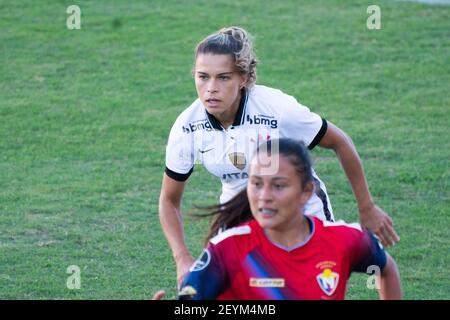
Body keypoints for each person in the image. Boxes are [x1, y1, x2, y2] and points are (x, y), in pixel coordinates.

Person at [159, 26, 400, 284]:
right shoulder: (187, 126)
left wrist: (366, 207)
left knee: (306, 287)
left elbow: (340, 142)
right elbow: (169, 200)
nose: (211, 88)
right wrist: (182, 258)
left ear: (244, 78)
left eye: (223, 77)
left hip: (302, 214)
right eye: (203, 77)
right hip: (239, 220)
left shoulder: (277, 110)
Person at [175, 139, 402, 300]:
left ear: (306, 192)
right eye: (256, 184)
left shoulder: (344, 240)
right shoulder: (227, 249)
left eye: (279, 186)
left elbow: (385, 268)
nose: (264, 197)